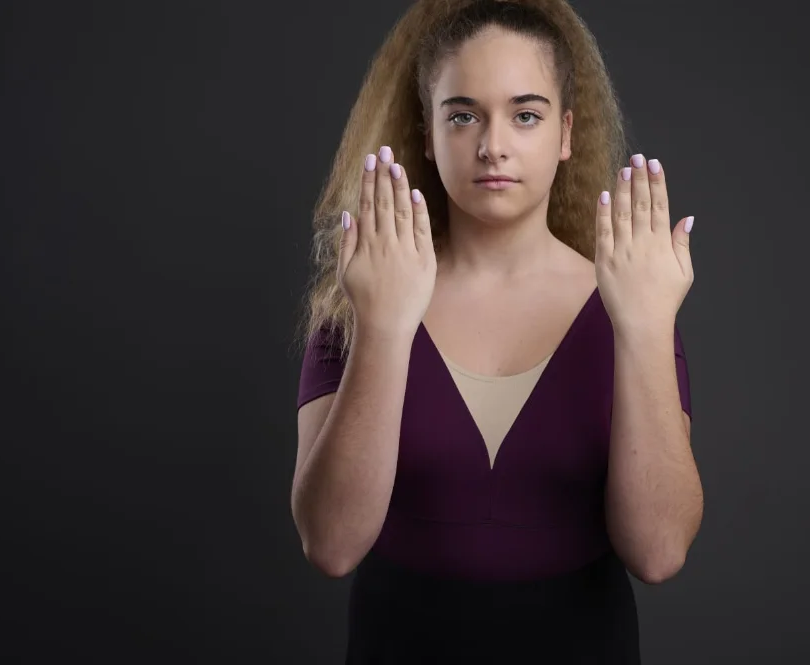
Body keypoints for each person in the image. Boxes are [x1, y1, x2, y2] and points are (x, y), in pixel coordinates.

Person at [291, 1, 702, 662]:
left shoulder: (628, 300)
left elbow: (658, 552)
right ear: (428, 133)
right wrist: (385, 326)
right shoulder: (364, 291)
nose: (493, 146)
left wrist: (647, 326)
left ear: (566, 132)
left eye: (525, 115)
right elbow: (331, 545)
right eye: (463, 115)